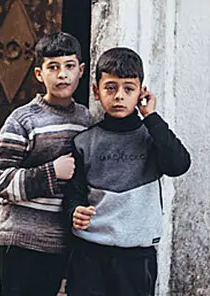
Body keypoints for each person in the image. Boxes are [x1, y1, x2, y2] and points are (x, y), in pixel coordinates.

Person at [63, 48, 190, 296]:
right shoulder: (84, 142)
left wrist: (151, 116)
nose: (119, 96)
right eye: (110, 88)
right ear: (96, 91)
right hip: (89, 252)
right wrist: (74, 211)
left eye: (129, 89)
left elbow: (179, 165)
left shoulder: (152, 138)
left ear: (141, 92)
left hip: (136, 256)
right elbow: (73, 192)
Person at [0, 32, 91, 296]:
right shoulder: (23, 120)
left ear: (81, 70)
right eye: (53, 67)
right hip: (21, 239)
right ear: (39, 74)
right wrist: (52, 173)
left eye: (69, 66)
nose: (62, 75)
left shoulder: (86, 120)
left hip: (60, 240)